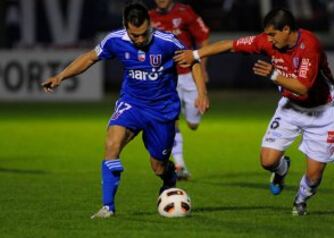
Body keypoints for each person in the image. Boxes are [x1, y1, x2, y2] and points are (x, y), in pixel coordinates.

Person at [41, 1, 209, 219]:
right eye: (134, 35)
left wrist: (202, 93)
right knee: (112, 142)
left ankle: (169, 180)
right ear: (125, 27)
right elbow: (90, 57)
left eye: (143, 34)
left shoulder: (167, 41)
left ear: (150, 24)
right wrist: (60, 76)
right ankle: (107, 207)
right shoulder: (115, 40)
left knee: (158, 166)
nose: (139, 40)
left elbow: (193, 62)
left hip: (163, 110)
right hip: (132, 103)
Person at [174, 8, 334, 216]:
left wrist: (273, 74)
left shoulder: (309, 46)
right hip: (290, 108)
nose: (268, 40)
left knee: (314, 176)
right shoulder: (266, 41)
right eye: (267, 35)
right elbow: (230, 45)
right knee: (267, 161)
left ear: (286, 29)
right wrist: (195, 54)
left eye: (273, 34)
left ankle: (301, 199)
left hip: (322, 114)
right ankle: (281, 170)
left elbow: (303, 87)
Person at [149, 0, 210, 180]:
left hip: (190, 74)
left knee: (193, 124)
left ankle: (186, 110)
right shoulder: (150, 18)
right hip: (166, 77)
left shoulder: (185, 12)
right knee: (171, 121)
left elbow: (203, 38)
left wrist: (203, 68)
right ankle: (180, 165)